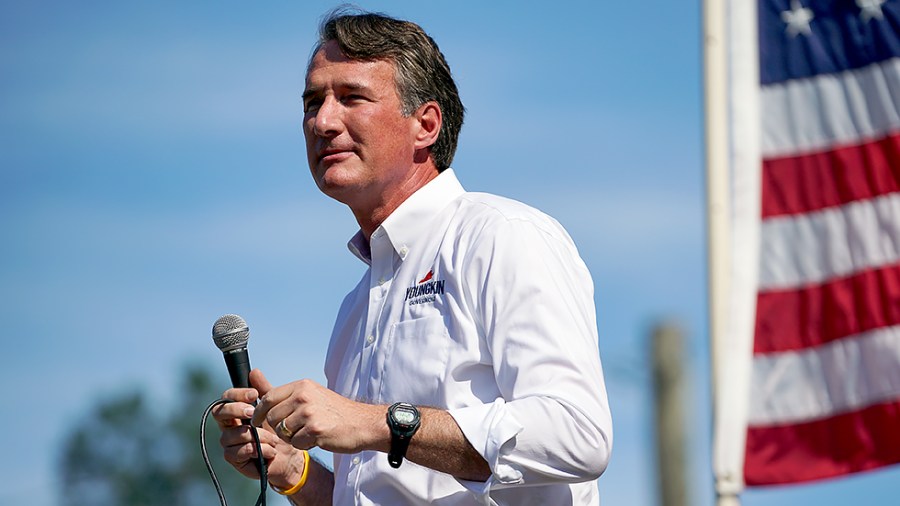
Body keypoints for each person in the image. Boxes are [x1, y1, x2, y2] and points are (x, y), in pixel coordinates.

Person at [213, 8, 613, 505]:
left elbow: (579, 435)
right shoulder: (354, 309)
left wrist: (376, 422)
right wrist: (295, 472)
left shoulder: (501, 236)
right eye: (312, 102)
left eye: (352, 97)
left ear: (425, 124)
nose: (323, 121)